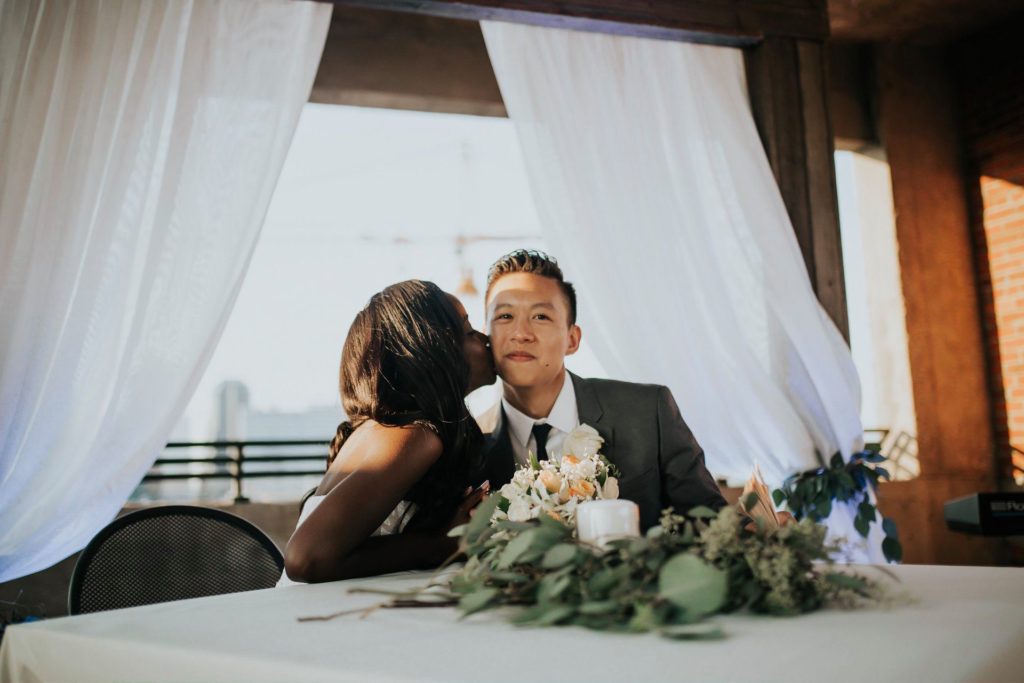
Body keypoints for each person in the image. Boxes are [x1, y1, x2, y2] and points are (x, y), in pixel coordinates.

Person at [477, 249, 726, 531]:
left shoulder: (648, 411)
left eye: (541, 317)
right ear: (485, 334)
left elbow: (712, 519)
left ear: (572, 339)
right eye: (505, 316)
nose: (520, 333)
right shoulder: (471, 441)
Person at [280, 280, 496, 585]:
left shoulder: (385, 429)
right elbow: (305, 559)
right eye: (469, 330)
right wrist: (447, 544)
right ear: (435, 350)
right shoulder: (414, 435)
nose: (486, 339)